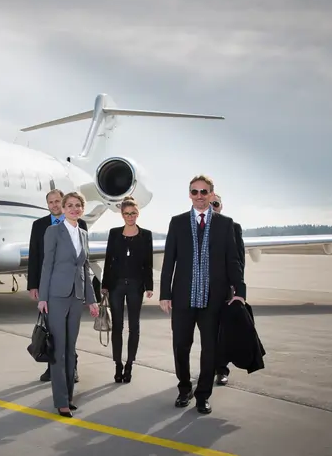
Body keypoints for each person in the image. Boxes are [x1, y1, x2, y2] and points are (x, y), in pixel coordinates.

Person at [159, 175, 245, 414]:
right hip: (183, 297)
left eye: (203, 192)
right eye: (195, 192)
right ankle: (184, 388)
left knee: (210, 348)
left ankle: (203, 395)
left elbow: (233, 261)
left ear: (211, 194)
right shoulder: (177, 223)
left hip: (213, 298)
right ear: (189, 195)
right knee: (181, 346)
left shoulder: (225, 224)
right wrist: (165, 293)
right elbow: (169, 262)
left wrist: (240, 291)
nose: (199, 196)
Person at [38, 191, 100, 417]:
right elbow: (47, 265)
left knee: (70, 350)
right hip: (55, 296)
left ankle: (69, 397)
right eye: (70, 205)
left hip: (76, 298)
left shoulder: (83, 233)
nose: (74, 209)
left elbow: (84, 267)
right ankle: (61, 401)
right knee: (58, 351)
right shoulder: (53, 231)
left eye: (78, 205)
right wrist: (43, 297)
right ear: (62, 209)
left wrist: (92, 300)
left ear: (82, 209)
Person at [28, 188, 93, 383]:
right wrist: (34, 285)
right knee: (51, 331)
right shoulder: (40, 226)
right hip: (50, 287)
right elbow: (36, 257)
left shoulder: (80, 225)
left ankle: (71, 368)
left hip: (72, 289)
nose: (55, 205)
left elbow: (83, 260)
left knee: (70, 332)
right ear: (47, 205)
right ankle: (52, 366)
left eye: (58, 201)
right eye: (51, 202)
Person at [100, 195, 154, 383]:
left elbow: (148, 262)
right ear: (121, 214)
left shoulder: (146, 235)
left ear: (138, 213)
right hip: (116, 286)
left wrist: (149, 286)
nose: (130, 216)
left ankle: (129, 364)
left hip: (136, 286)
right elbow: (108, 260)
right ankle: (118, 365)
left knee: (134, 326)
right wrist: (105, 285)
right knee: (117, 326)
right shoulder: (114, 233)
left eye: (133, 213)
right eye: (126, 213)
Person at [211, 193, 246, 386]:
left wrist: (238, 288)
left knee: (221, 331)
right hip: (201, 290)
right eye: (210, 203)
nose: (213, 206)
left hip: (225, 289)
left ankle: (221, 369)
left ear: (221, 206)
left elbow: (238, 259)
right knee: (208, 333)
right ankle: (209, 367)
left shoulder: (232, 227)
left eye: (216, 203)